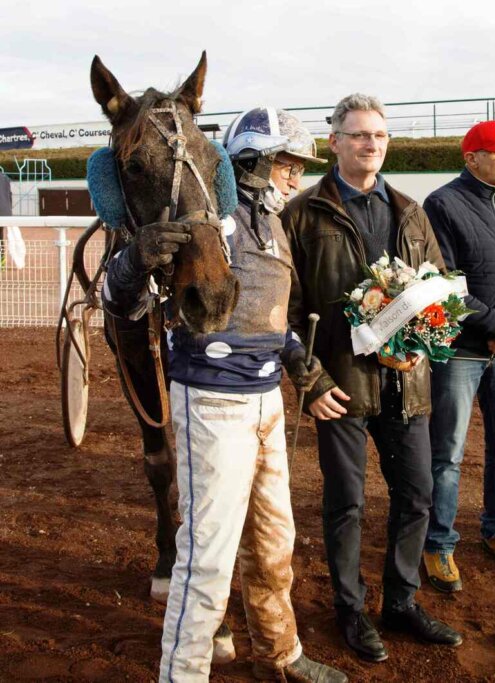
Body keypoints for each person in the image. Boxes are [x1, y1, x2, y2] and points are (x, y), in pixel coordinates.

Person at [103, 106, 347, 682]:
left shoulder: (274, 226)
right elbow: (123, 304)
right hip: (213, 402)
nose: (296, 177)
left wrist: (301, 363)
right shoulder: (209, 218)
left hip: (266, 401)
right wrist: (135, 258)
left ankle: (279, 653)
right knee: (207, 558)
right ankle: (183, 673)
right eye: (288, 165)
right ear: (254, 162)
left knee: (274, 543)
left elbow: (272, 317)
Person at [282, 93, 462, 663]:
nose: (371, 144)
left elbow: (437, 288)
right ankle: (350, 609)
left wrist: (421, 347)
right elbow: (282, 311)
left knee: (418, 495)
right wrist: (310, 381)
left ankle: (401, 603)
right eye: (359, 135)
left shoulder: (411, 211)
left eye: (379, 136)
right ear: (335, 142)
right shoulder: (302, 215)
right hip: (340, 386)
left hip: (406, 384)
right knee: (347, 503)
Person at [420, 120, 495, 593]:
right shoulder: (443, 204)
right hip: (461, 354)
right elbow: (443, 281)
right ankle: (438, 542)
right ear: (471, 158)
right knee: (447, 454)